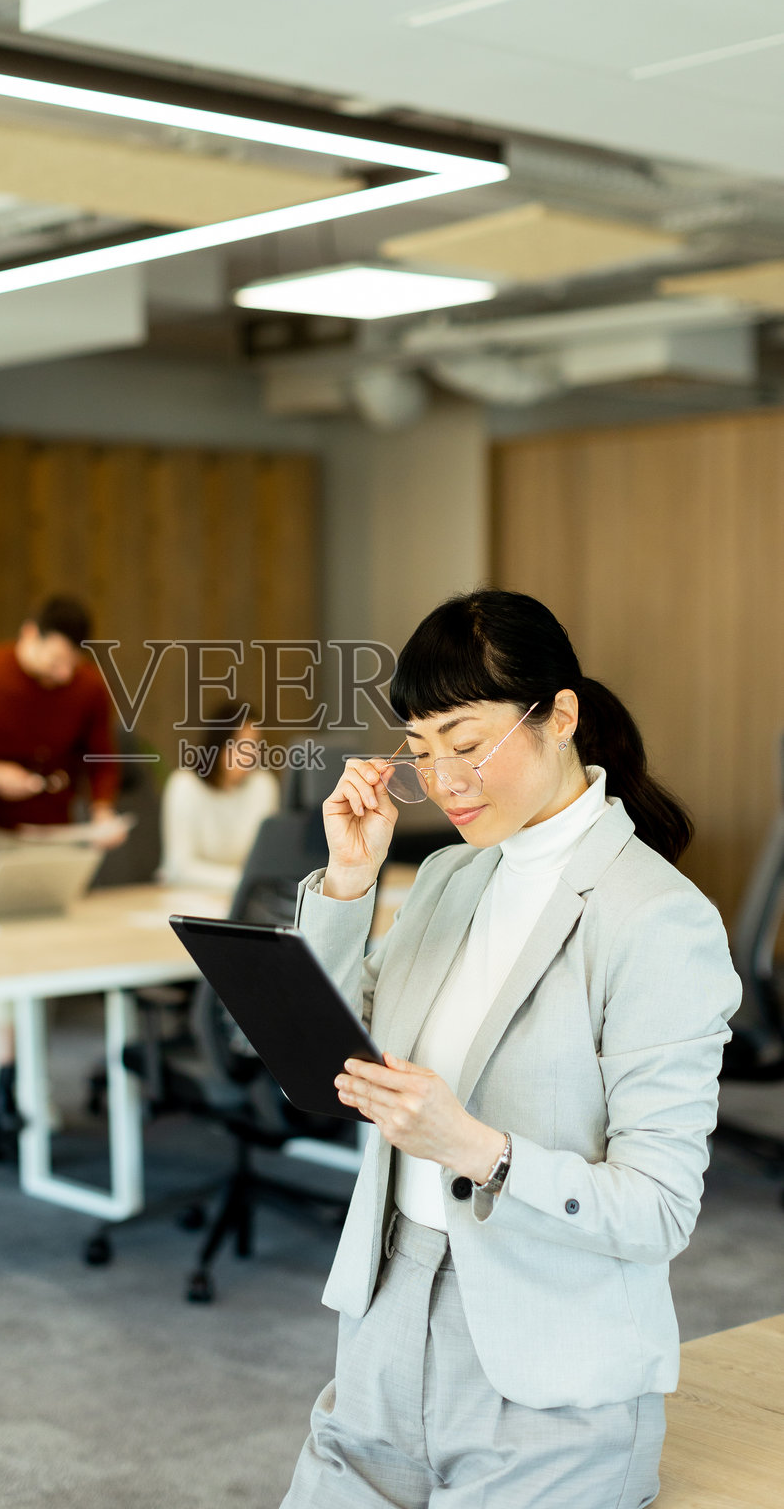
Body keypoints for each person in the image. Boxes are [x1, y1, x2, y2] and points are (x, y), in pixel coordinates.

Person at [282, 589, 741, 1509]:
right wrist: (347, 881)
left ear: (560, 716)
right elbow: (340, 1054)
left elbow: (656, 1210)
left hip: (551, 1385)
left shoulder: (656, 921)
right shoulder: (452, 875)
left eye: (465, 743)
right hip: (385, 1332)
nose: (443, 780)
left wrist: (476, 1151)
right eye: (418, 752)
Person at [0, 594, 120, 842]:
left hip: (55, 828)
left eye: (73, 663)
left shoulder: (89, 686)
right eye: (56, 661)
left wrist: (102, 810)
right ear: (30, 634)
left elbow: (101, 758)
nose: (64, 674)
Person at [159, 701, 280, 890]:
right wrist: (244, 880)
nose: (250, 754)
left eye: (255, 745)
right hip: (187, 896)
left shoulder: (262, 784)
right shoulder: (185, 785)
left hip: (241, 897)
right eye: (240, 744)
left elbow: (267, 857)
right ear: (218, 745)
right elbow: (180, 868)